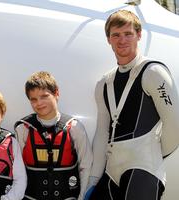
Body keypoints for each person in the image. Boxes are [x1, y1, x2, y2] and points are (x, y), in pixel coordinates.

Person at [86, 10, 179, 200]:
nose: (122, 40)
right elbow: (103, 133)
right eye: (116, 35)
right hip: (112, 170)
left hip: (144, 168)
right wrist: (94, 178)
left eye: (128, 34)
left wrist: (151, 155)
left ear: (139, 35)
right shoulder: (104, 83)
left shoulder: (154, 72)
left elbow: (175, 124)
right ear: (108, 39)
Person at [14, 71, 93, 200]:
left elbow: (86, 166)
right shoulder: (23, 129)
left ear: (56, 93)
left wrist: (81, 197)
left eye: (44, 96)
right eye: (33, 99)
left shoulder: (74, 127)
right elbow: (16, 170)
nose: (39, 103)